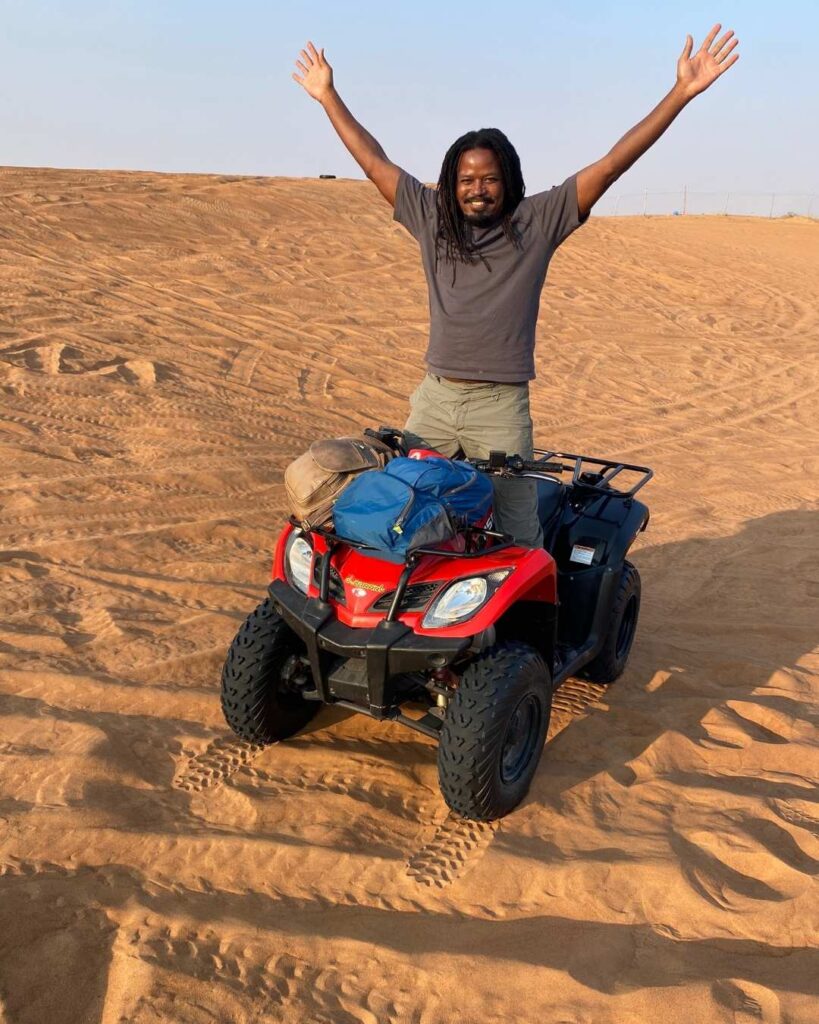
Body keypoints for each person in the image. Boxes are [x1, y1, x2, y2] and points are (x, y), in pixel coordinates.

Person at [292, 27, 739, 546]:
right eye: (466, 179)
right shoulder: (431, 218)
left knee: (517, 533)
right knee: (403, 518)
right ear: (451, 183)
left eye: (489, 179)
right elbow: (373, 161)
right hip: (434, 402)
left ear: (508, 180)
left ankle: (535, 624)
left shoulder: (538, 222)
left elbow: (613, 163)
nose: (477, 190)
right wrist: (328, 96)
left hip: (500, 408)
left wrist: (680, 93)